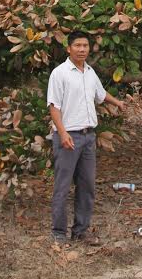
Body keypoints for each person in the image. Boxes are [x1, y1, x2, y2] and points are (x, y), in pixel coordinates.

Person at [47, 30, 125, 245]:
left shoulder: (89, 72)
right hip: (68, 137)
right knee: (62, 187)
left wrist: (117, 102)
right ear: (68, 48)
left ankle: (81, 231)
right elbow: (54, 106)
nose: (82, 49)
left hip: (88, 137)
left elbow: (100, 94)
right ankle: (59, 233)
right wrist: (62, 133)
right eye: (77, 46)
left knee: (87, 185)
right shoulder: (60, 73)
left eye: (85, 46)